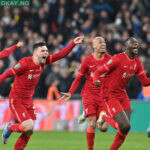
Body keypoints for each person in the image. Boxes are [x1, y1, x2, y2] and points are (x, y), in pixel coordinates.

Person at [0, 36, 84, 150]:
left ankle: (12, 135)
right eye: (43, 51)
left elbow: (61, 55)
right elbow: (6, 74)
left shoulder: (44, 61)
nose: (46, 53)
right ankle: (9, 128)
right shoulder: (24, 63)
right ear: (35, 53)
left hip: (28, 100)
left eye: (46, 51)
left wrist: (73, 43)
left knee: (29, 131)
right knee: (28, 126)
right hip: (16, 100)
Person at [93, 37, 150, 150]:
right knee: (125, 125)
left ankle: (105, 117)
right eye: (133, 45)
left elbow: (145, 82)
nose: (135, 47)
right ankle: (104, 116)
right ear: (126, 47)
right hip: (109, 94)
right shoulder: (117, 59)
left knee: (125, 129)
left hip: (122, 94)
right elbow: (98, 72)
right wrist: (95, 80)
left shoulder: (137, 62)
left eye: (137, 45)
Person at [59, 37, 111, 150]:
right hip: (89, 94)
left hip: (104, 95)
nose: (103, 44)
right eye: (100, 42)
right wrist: (70, 93)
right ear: (94, 46)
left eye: (104, 42)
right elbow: (78, 78)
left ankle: (96, 117)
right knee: (91, 124)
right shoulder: (87, 61)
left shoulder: (110, 60)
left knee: (104, 128)